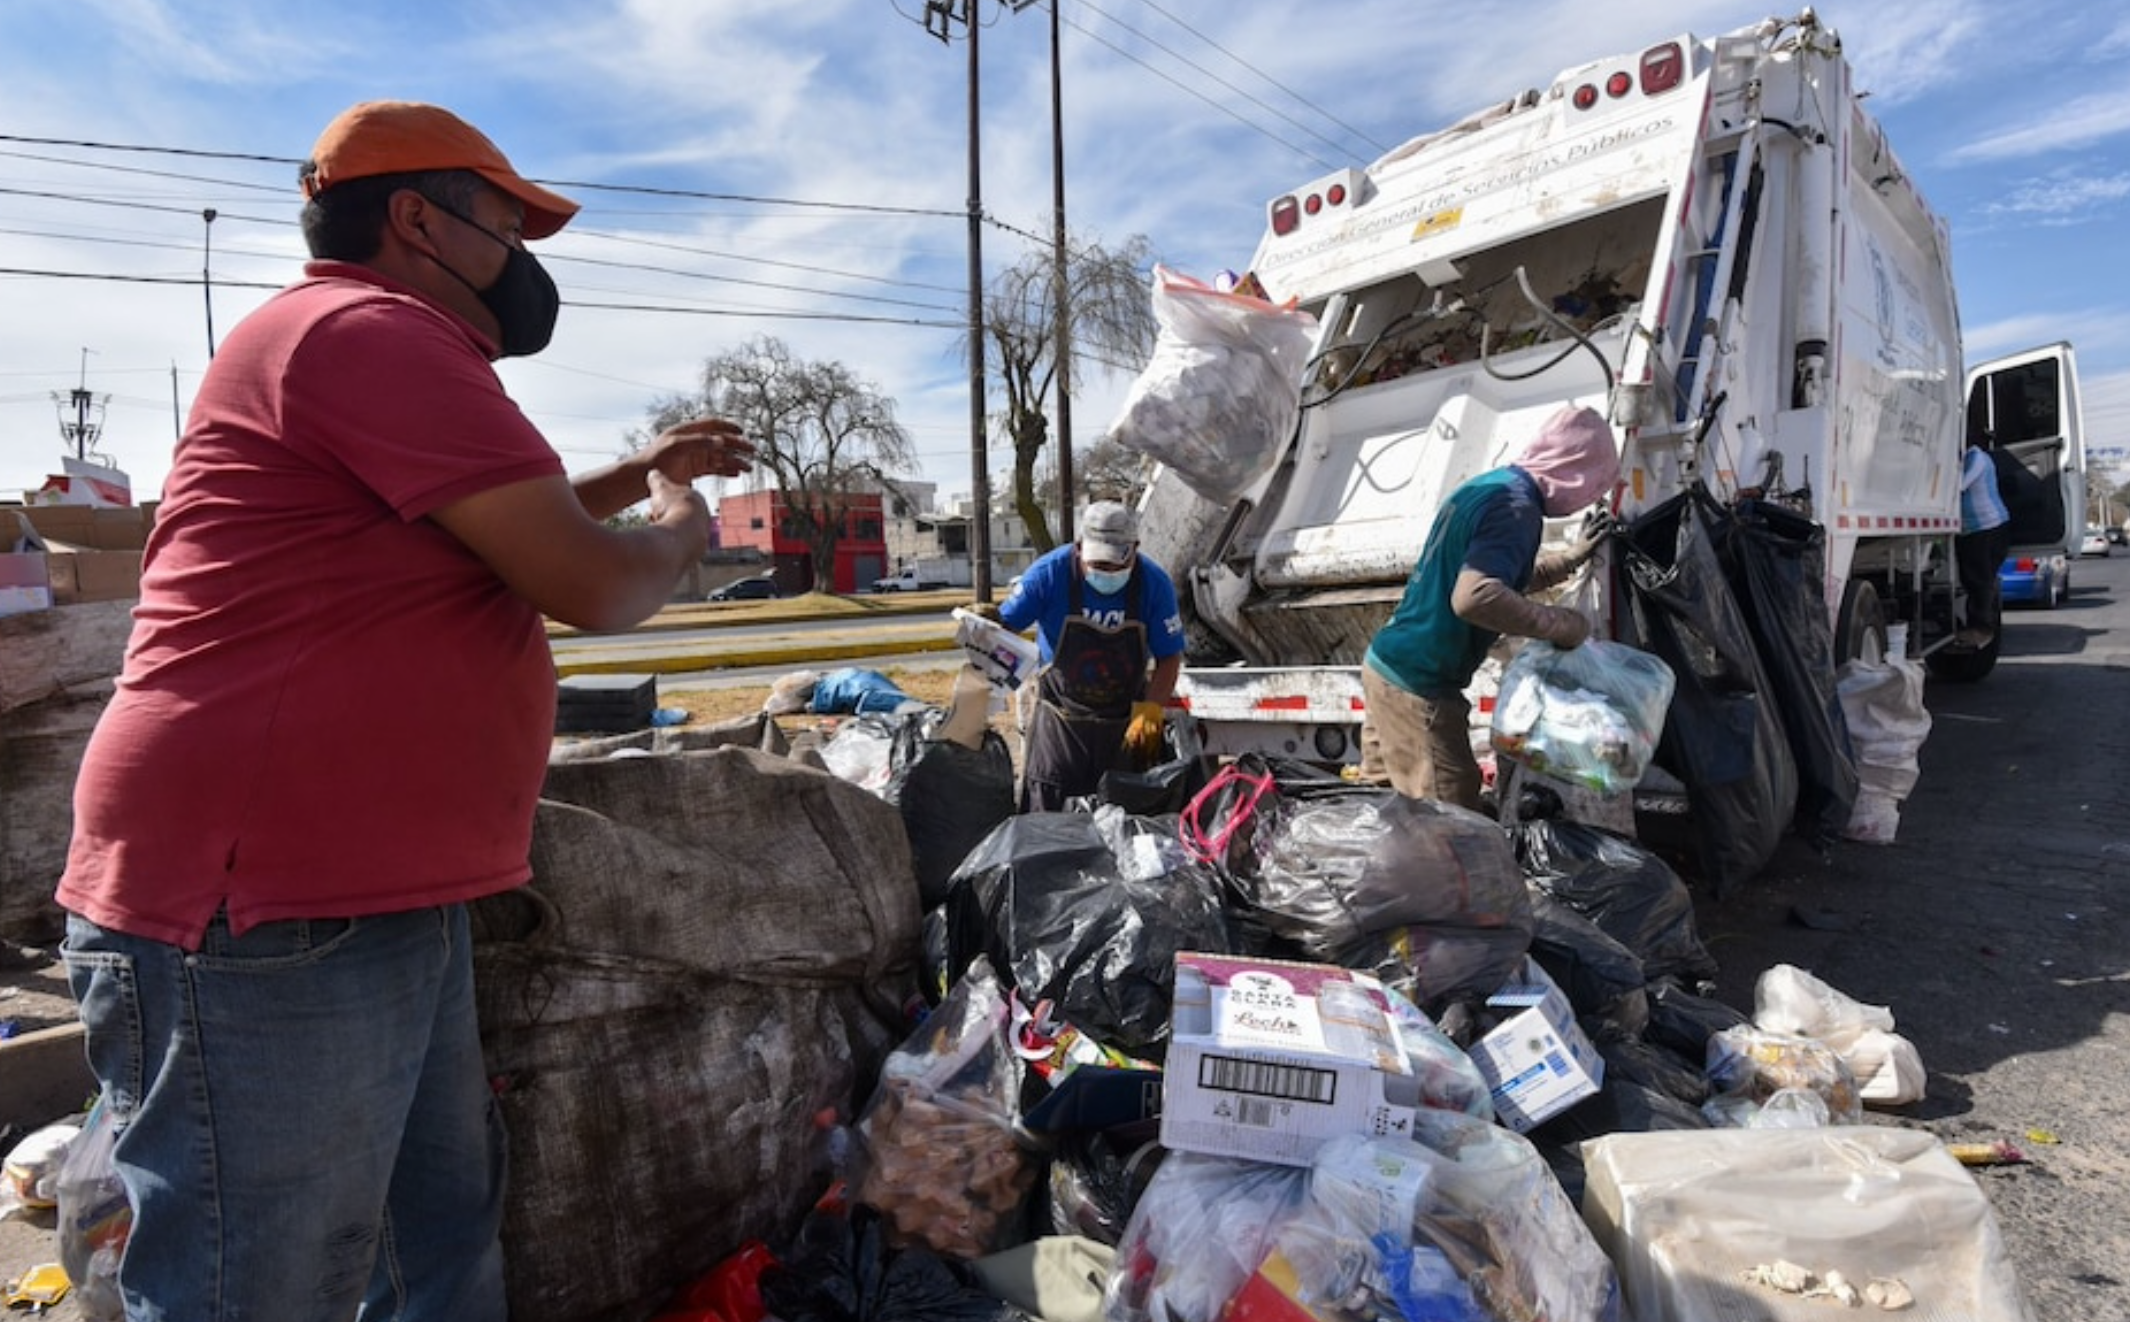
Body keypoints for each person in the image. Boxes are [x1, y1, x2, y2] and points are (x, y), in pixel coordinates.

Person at [56, 101, 755, 1322]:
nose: (525, 257)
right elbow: (597, 578)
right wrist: (682, 523)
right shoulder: (366, 332)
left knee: (428, 1250)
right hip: (265, 905)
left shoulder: (365, 348)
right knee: (257, 1285)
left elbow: (491, 507)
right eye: (507, 221)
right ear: (419, 219)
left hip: (363, 893)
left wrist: (641, 470)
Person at [1358, 405, 1620, 810]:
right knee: (1449, 821)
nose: (1588, 497)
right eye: (1593, 484)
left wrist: (1567, 560)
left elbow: (1494, 575)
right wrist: (1560, 625)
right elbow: (1475, 596)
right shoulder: (1517, 509)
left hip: (1385, 668)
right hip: (1418, 686)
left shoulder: (1489, 487)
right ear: (1575, 470)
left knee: (1386, 814)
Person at [993, 501, 1187, 811]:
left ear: (1134, 548)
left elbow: (1169, 659)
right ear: (1080, 546)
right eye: (1097, 565)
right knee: (1049, 826)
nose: (1106, 573)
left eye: (1115, 565)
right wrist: (986, 628)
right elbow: (1002, 631)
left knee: (1128, 819)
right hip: (1060, 724)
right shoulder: (1047, 575)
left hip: (1125, 723)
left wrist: (1147, 724)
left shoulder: (1154, 584)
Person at [1955, 438, 2010, 647]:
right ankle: (1980, 626)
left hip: (1985, 527)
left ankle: (1981, 629)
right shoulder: (1973, 457)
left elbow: (1960, 485)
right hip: (1981, 528)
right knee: (1977, 579)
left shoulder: (1976, 458)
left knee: (1978, 579)